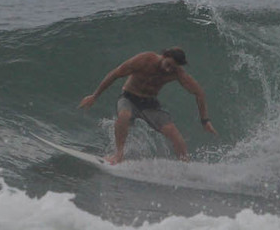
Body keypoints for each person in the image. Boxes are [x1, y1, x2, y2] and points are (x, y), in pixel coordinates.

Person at [79, 48, 216, 164]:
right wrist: (95, 96)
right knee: (124, 115)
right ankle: (118, 155)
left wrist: (205, 120)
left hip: (150, 104)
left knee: (173, 133)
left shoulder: (177, 73)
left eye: (173, 67)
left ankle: (185, 165)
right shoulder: (144, 60)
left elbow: (199, 93)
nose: (169, 70)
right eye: (168, 64)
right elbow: (115, 74)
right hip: (129, 97)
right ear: (164, 56)